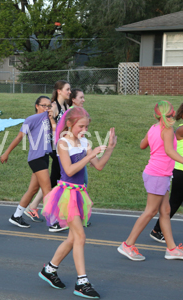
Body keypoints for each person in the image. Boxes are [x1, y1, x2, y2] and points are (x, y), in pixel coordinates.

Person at [39, 107, 116, 299]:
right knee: (80, 236)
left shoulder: (84, 142)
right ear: (70, 124)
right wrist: (89, 155)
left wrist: (110, 148)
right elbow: (70, 170)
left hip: (80, 194)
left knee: (73, 238)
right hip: (66, 194)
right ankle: (82, 282)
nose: (84, 130)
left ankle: (50, 269)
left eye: (86, 127)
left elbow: (98, 166)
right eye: (81, 126)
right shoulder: (63, 143)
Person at [118, 101, 183, 261]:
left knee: (165, 211)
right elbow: (169, 151)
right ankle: (127, 244)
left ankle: (172, 249)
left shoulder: (154, 127)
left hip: (159, 174)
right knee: (151, 211)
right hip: (158, 174)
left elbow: (142, 145)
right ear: (172, 113)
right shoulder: (167, 129)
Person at [0, 96, 55, 228]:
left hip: (44, 156)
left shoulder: (49, 118)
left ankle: (16, 216)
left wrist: (52, 118)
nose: (46, 108)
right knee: (47, 189)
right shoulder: (31, 119)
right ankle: (54, 222)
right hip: (36, 158)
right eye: (44, 105)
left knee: (33, 189)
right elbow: (19, 137)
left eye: (49, 106)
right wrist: (6, 152)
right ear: (37, 106)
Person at [26, 80, 72, 232]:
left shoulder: (65, 106)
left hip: (61, 146)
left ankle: (33, 206)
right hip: (52, 148)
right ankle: (53, 217)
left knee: (52, 180)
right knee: (54, 180)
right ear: (59, 91)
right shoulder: (53, 106)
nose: (69, 92)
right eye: (67, 89)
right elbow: (48, 127)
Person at [150, 103, 183, 243]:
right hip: (180, 170)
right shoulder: (181, 129)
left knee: (173, 203)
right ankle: (157, 230)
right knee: (174, 202)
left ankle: (157, 230)